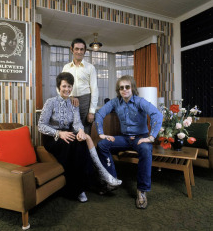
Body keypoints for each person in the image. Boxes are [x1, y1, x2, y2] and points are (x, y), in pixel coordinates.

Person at [38, 72, 121, 203]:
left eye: (69, 86)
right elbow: (41, 125)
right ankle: (77, 189)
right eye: (64, 86)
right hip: (53, 138)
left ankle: (81, 188)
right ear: (59, 87)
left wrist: (81, 131)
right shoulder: (50, 102)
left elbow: (76, 123)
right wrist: (59, 133)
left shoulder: (73, 104)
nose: (67, 89)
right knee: (72, 146)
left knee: (81, 143)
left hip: (69, 135)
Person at [95, 75, 163, 209]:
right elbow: (100, 114)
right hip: (124, 138)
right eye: (121, 88)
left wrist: (151, 137)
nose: (124, 90)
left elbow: (157, 114)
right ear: (118, 90)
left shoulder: (140, 101)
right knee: (102, 145)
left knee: (145, 149)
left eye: (127, 87)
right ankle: (111, 181)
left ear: (132, 88)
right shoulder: (115, 102)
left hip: (140, 138)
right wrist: (101, 133)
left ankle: (142, 191)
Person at [62, 38, 98, 135]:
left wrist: (92, 111)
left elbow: (94, 89)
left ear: (85, 51)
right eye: (76, 49)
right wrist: (69, 97)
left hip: (85, 100)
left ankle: (85, 150)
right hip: (70, 100)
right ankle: (73, 150)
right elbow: (61, 87)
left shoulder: (90, 68)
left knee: (85, 130)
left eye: (81, 49)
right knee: (71, 129)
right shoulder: (66, 67)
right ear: (72, 49)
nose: (79, 52)